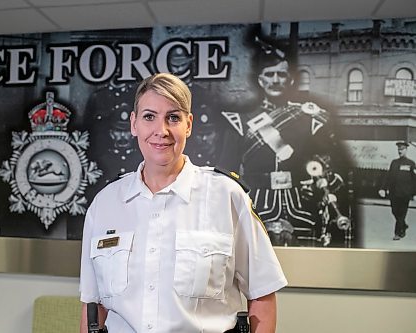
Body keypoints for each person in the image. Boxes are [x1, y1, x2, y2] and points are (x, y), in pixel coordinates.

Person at [79, 73, 287, 333]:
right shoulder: (105, 204)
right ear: (134, 124)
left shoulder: (227, 196)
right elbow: (93, 307)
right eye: (149, 116)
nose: (161, 131)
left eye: (173, 118)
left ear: (188, 125)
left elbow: (262, 294)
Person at [219, 36, 352, 247]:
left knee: (303, 272)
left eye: (281, 74)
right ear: (260, 80)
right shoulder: (240, 122)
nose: (275, 80)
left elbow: (329, 164)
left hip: (301, 204)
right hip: (256, 205)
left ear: (289, 79)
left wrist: (320, 184)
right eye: (269, 74)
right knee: (255, 275)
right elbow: (227, 173)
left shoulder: (310, 118)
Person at [379, 141, 416, 240]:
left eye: (402, 149)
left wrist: (414, 193)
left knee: (401, 214)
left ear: (406, 150)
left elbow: (415, 180)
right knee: (394, 211)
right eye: (399, 149)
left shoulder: (411, 164)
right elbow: (388, 177)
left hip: (405, 194)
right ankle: (403, 225)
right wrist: (383, 188)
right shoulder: (394, 163)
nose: (400, 151)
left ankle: (398, 233)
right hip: (394, 193)